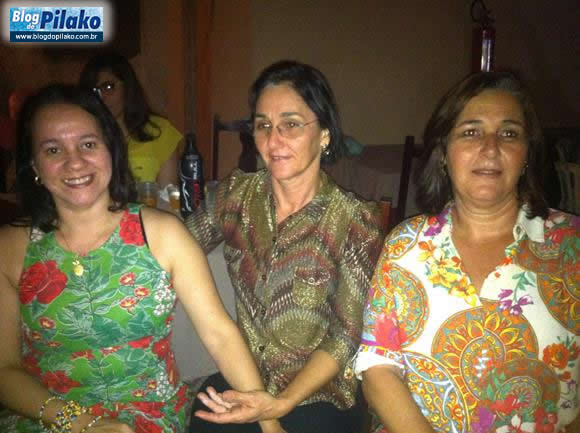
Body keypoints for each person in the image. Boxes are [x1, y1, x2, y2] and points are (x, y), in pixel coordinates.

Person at [0, 84, 284, 433]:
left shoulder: (163, 234)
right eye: (53, 149)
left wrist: (270, 424)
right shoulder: (10, 248)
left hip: (147, 415)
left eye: (88, 144)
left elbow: (220, 334)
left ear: (111, 149)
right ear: (34, 164)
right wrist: (80, 423)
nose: (74, 162)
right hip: (45, 416)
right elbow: (4, 369)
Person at [355, 71, 579, 433]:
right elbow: (377, 367)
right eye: (471, 132)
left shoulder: (571, 245)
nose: (490, 148)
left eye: (509, 133)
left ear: (527, 154)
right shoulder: (404, 246)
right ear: (444, 153)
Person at [185, 60, 384, 433]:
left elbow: (345, 335)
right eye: (263, 125)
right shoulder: (234, 197)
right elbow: (176, 248)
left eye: (290, 125)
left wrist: (280, 404)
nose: (273, 141)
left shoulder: (354, 221)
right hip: (247, 379)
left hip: (320, 395)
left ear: (324, 134)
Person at [79, 52, 182, 186]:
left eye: (108, 87)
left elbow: (167, 193)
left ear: (127, 86)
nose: (102, 97)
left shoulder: (159, 130)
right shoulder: (81, 134)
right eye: (94, 91)